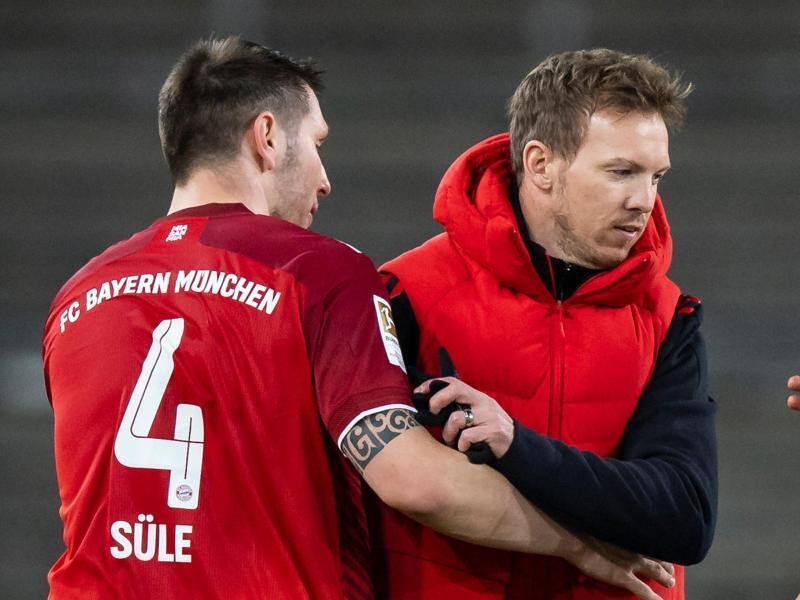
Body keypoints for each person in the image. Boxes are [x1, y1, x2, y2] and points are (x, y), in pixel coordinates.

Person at [42, 38, 675, 599]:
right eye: (315, 145)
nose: (324, 180)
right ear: (266, 138)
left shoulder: (76, 296)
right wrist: (577, 545)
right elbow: (412, 480)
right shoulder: (317, 273)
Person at [378, 49, 718, 599]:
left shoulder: (668, 317)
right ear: (539, 165)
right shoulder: (406, 293)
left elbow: (685, 517)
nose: (645, 202)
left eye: (656, 176)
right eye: (621, 173)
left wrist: (514, 444)